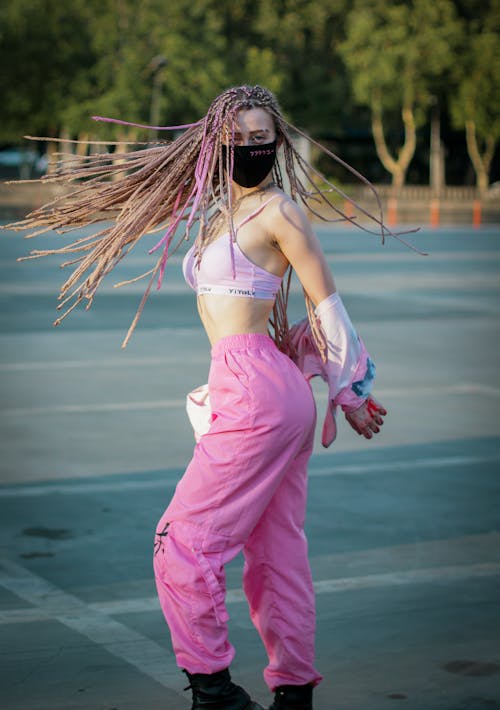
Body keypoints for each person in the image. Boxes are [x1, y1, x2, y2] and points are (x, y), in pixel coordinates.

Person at [8, 85, 391, 710]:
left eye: (262, 139)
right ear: (216, 143)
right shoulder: (221, 212)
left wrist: (350, 389)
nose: (250, 149)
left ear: (279, 144)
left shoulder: (280, 213)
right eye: (237, 140)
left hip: (259, 391)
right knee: (275, 552)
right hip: (253, 384)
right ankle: (294, 693)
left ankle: (215, 693)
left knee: (181, 540)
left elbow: (327, 303)